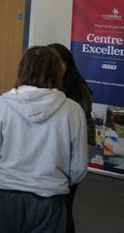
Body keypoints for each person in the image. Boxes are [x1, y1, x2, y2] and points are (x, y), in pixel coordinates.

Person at [0, 46, 87, 233]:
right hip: (50, 198)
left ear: (22, 69)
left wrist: (5, 174)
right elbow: (79, 166)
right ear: (58, 72)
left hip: (7, 193)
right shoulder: (73, 110)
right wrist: (57, 181)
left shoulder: (2, 104)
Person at [48, 43, 96, 233]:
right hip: (49, 155)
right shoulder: (45, 83)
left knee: (64, 209)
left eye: (56, 63)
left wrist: (80, 156)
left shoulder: (78, 88)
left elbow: (87, 123)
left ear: (67, 64)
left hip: (68, 155)